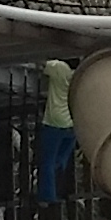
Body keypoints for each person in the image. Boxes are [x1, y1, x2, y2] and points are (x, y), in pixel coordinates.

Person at [36, 59, 79, 200]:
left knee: (47, 161)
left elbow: (41, 64)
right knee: (60, 160)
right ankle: (61, 188)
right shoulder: (79, 74)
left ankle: (48, 196)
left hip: (55, 122)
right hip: (71, 124)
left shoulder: (60, 67)